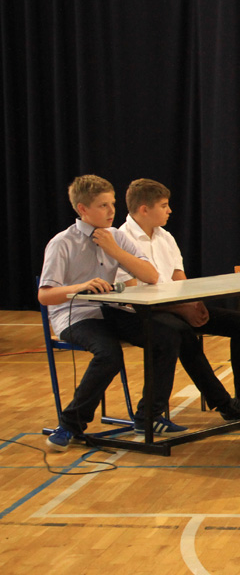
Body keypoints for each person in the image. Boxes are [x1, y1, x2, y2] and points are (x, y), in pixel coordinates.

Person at [39, 175, 186, 451]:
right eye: (103, 205)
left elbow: (151, 276)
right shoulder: (62, 243)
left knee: (167, 336)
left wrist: (114, 250)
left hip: (109, 310)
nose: (111, 211)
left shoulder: (116, 237)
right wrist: (80, 287)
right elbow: (45, 295)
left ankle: (148, 417)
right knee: (109, 354)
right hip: (75, 315)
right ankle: (70, 424)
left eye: (113, 204)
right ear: (83, 209)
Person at [116, 179, 240, 422]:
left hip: (175, 305)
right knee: (181, 332)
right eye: (163, 205)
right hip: (146, 312)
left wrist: (193, 303)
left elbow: (179, 278)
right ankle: (224, 404)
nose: (169, 210)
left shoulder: (165, 237)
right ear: (144, 209)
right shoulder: (122, 240)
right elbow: (135, 296)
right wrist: (182, 309)